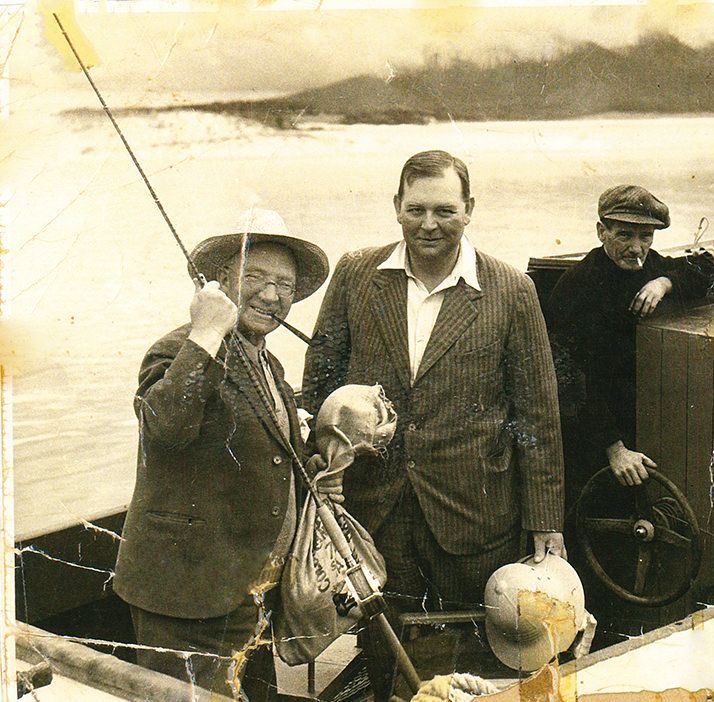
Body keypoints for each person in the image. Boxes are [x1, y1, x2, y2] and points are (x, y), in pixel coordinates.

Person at [303, 150, 565, 699]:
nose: (428, 224)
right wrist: (327, 468)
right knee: (383, 645)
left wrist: (546, 523)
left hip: (476, 512)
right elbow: (320, 382)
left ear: (470, 209)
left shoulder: (512, 289)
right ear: (396, 207)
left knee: (475, 652)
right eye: (416, 208)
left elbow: (537, 415)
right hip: (378, 507)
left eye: (445, 210)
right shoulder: (355, 275)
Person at [113, 209, 329, 700]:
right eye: (254, 277)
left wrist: (316, 465)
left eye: (285, 286)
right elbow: (165, 428)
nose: (271, 295)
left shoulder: (268, 362)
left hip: (248, 597)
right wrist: (205, 333)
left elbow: (271, 456)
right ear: (221, 282)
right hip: (185, 600)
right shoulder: (176, 349)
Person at [546, 184, 714, 508]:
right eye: (624, 235)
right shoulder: (577, 287)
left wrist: (664, 283)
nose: (636, 248)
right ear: (601, 232)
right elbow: (570, 382)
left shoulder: (650, 266)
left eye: (646, 237)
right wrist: (613, 448)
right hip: (592, 434)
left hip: (640, 419)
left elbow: (702, 272)